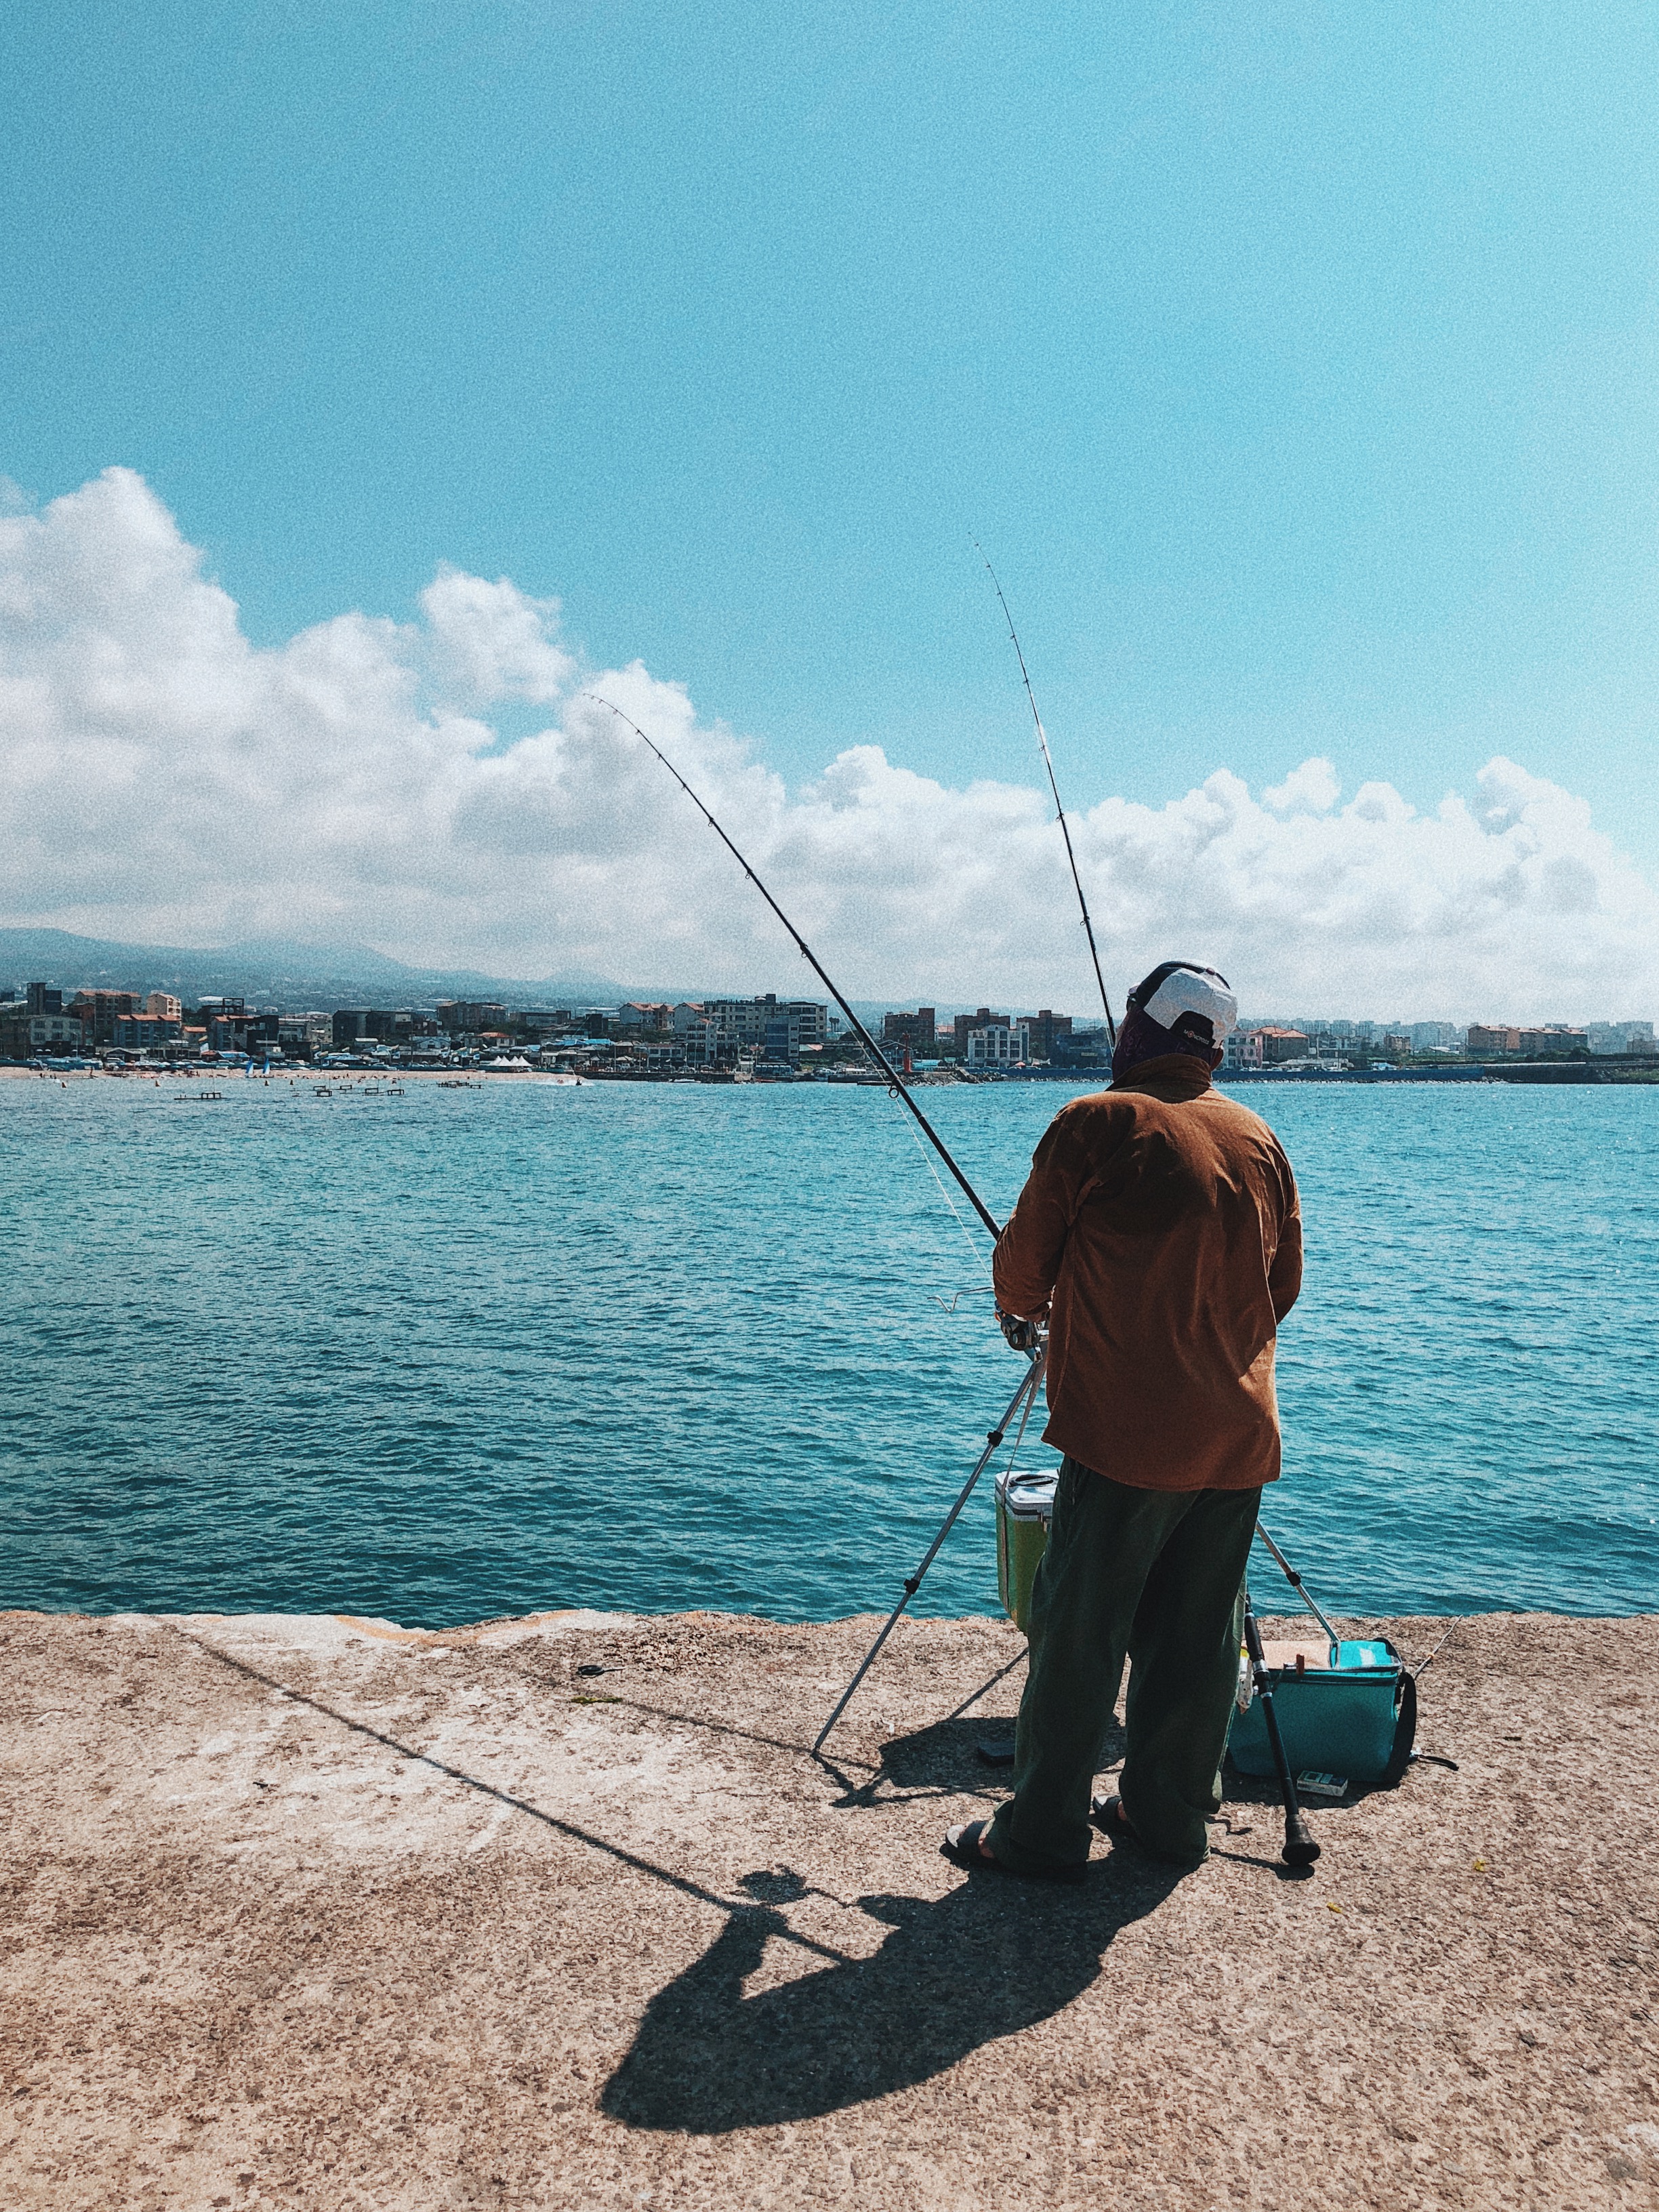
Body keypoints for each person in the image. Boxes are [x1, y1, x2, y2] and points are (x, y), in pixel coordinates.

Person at [944, 960, 1302, 1881]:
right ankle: (1170, 1818)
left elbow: (1024, 1269)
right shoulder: (1256, 1136)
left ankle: (1041, 1833)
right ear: (1211, 1046)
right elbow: (1281, 1288)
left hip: (1125, 1437)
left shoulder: (1094, 1123)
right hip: (1237, 1434)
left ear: (1139, 1029)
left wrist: (1029, 1314)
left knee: (1080, 1633)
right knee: (1197, 1639)